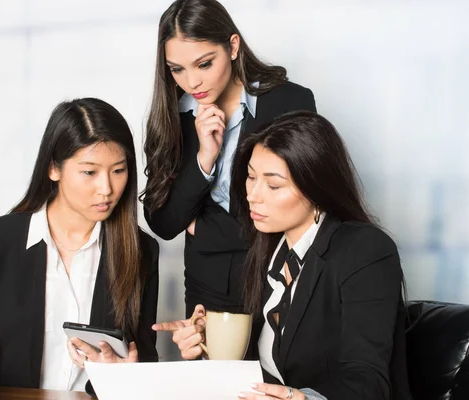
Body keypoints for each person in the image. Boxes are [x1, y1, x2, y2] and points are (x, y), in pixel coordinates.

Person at [154, 111, 412, 400]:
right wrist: (210, 345)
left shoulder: (365, 250)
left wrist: (300, 398)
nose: (253, 195)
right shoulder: (265, 250)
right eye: (251, 177)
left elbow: (369, 383)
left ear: (316, 187)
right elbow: (257, 372)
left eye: (273, 185)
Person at [0, 98, 159, 400]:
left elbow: (143, 357)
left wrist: (118, 375)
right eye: (90, 172)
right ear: (54, 168)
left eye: (118, 170)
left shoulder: (140, 251)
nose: (106, 188)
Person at [142, 0, 317, 316]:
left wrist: (207, 231)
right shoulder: (171, 118)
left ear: (233, 46)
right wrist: (204, 159)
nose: (191, 82)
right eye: (177, 69)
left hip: (282, 282)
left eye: (204, 64)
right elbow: (163, 222)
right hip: (208, 290)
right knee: (212, 366)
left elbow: (304, 204)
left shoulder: (290, 102)